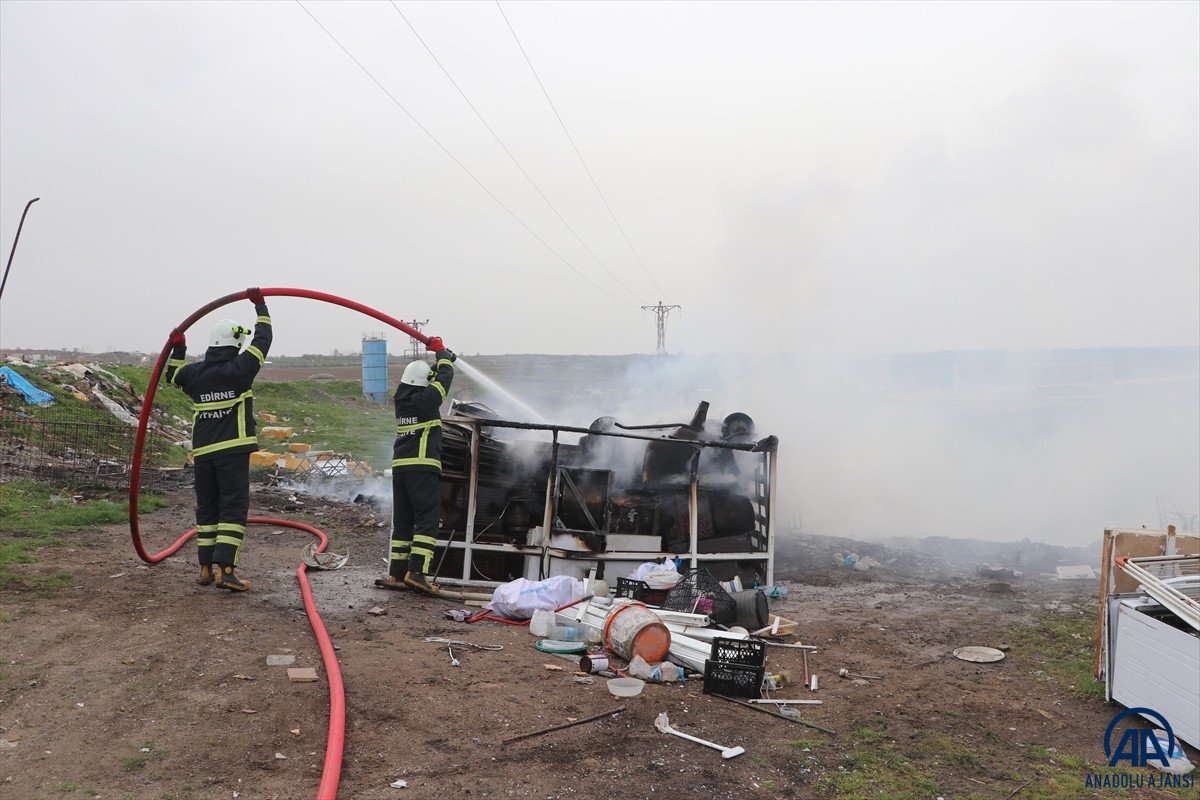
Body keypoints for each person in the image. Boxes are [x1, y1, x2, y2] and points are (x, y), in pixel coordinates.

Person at [164, 288, 272, 592]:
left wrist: (179, 349)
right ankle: (227, 569)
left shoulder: (195, 374)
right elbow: (263, 340)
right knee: (233, 509)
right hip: (232, 452)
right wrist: (261, 307)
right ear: (236, 342)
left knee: (208, 508)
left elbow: (172, 376)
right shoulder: (240, 369)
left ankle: (204, 569)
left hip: (203, 454)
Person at [375, 336, 455, 595]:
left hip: (401, 467)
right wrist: (442, 354)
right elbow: (445, 379)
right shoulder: (427, 400)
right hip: (422, 465)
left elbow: (433, 378)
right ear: (423, 382)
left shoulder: (403, 400)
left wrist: (439, 360)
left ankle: (397, 574)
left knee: (404, 520)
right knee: (427, 519)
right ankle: (418, 573)